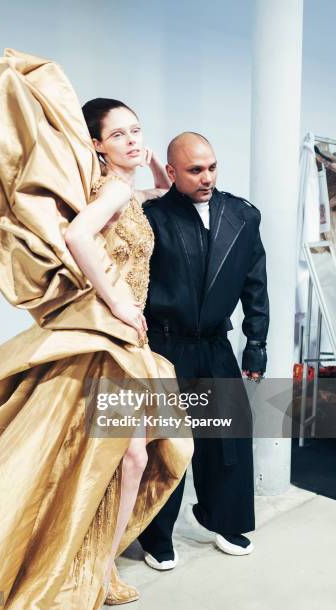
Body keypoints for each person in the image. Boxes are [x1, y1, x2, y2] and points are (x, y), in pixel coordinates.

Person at [0, 49, 192, 610]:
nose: (130, 139)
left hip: (123, 340)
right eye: (117, 134)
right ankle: (90, 569)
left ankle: (95, 563)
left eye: (136, 129)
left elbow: (148, 204)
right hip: (113, 338)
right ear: (95, 143)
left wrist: (151, 173)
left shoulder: (120, 189)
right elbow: (78, 240)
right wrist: (118, 300)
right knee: (121, 456)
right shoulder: (113, 192)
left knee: (125, 456)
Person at [138, 131, 269, 569]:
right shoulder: (152, 217)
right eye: (195, 170)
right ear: (172, 173)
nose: (207, 177)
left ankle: (225, 521)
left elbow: (255, 286)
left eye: (212, 166)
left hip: (216, 344)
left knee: (227, 436)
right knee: (166, 442)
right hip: (164, 345)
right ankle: (157, 535)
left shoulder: (242, 216)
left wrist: (256, 345)